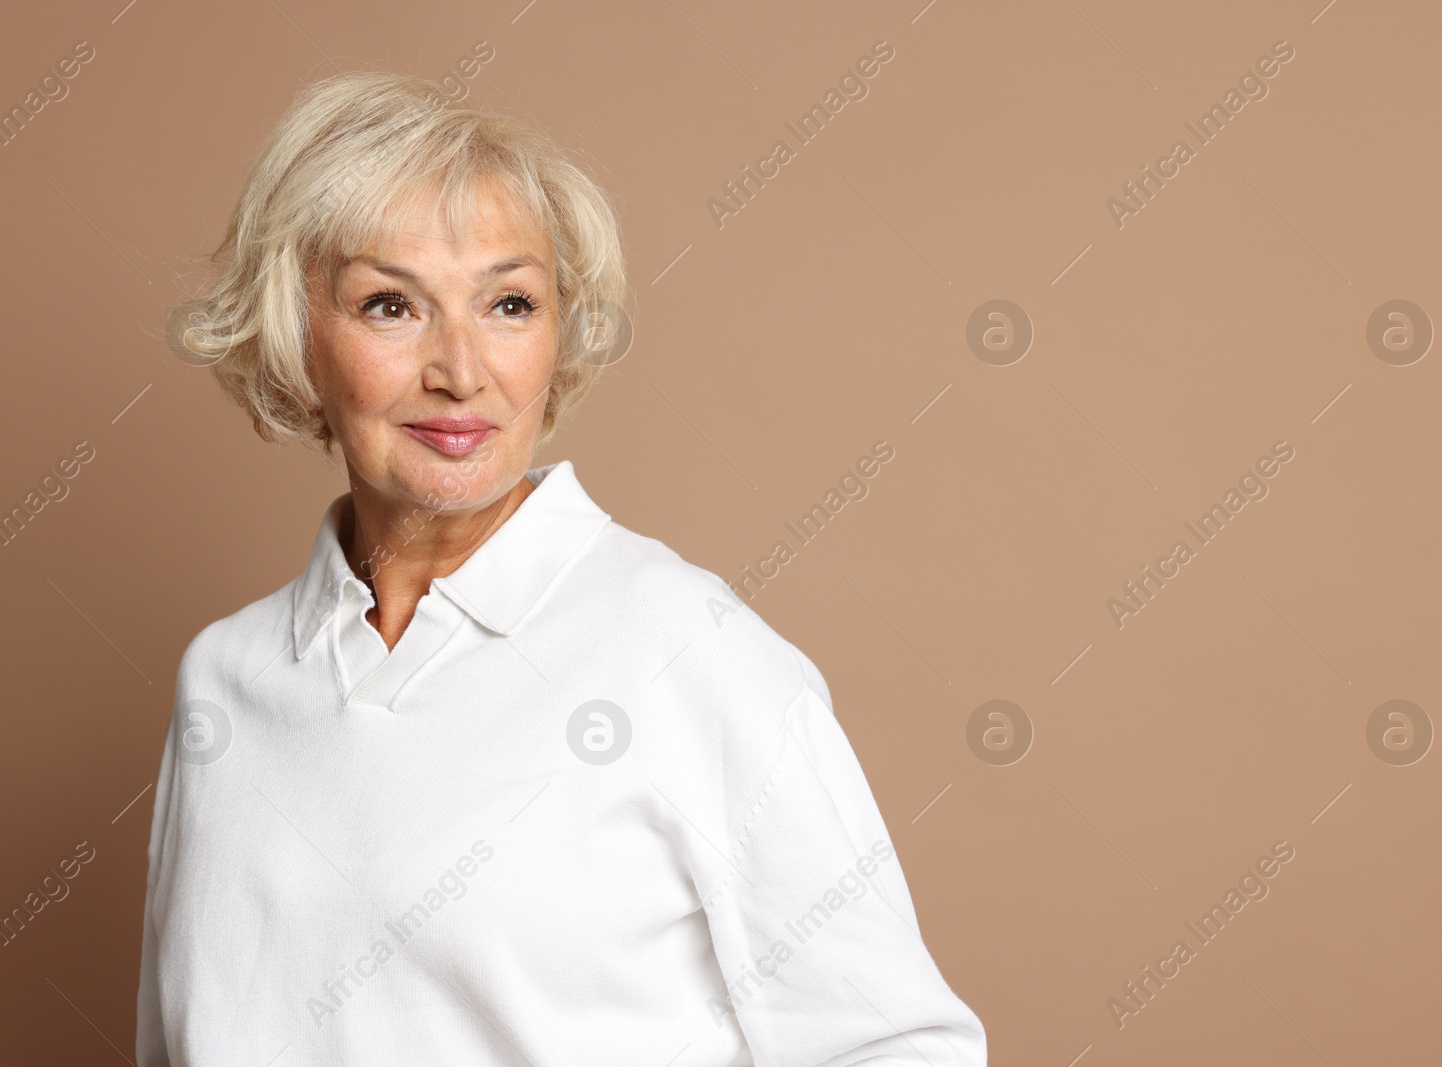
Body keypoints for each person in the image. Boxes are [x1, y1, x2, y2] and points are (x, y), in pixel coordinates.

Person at [138, 69, 985, 1065]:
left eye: (507, 302)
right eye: (388, 305)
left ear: (559, 331)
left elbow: (898, 1045)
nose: (462, 369)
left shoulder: (685, 651)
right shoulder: (223, 678)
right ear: (295, 334)